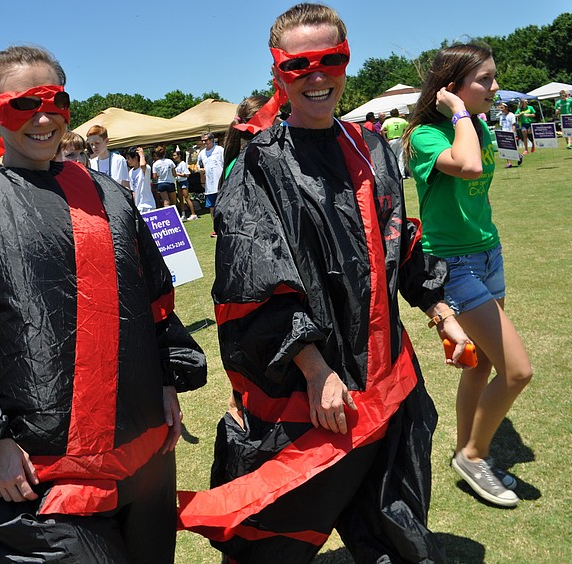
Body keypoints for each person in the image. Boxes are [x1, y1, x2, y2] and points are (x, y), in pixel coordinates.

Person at [0, 45, 205, 563]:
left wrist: (167, 382)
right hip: (32, 477)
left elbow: (153, 304)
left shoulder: (109, 194)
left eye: (55, 101)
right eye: (23, 105)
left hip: (140, 458)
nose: (43, 118)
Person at [178, 5, 470, 562]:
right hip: (307, 397)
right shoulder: (260, 165)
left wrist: (441, 313)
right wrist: (317, 371)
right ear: (277, 73)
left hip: (386, 384)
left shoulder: (373, 147)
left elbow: (400, 244)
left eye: (330, 60)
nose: (317, 76)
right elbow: (255, 280)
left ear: (346, 61)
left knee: (396, 533)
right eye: (299, 65)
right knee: (270, 543)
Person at [403, 42, 533, 509]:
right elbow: (470, 167)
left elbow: (480, 190)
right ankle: (473, 454)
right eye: (485, 79)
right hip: (452, 263)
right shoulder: (424, 135)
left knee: (481, 363)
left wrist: (467, 115)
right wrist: (458, 112)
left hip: (487, 254)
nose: (495, 87)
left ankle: (467, 453)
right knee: (518, 371)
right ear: (451, 87)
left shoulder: (477, 126)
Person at [196, 132, 224, 237]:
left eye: (206, 140)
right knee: (211, 208)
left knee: (222, 207)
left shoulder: (220, 150)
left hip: (220, 185)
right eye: (202, 140)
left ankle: (225, 227)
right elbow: (199, 166)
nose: (204, 142)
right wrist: (201, 173)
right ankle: (216, 229)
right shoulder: (202, 153)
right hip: (209, 186)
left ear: (212, 139)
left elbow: (226, 164)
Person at [125, 146, 157, 213]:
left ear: (136, 158)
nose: (127, 161)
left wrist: (141, 154)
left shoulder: (146, 168)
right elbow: (132, 190)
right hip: (138, 206)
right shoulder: (130, 172)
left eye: (129, 158)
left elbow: (142, 165)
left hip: (147, 205)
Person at [381, 108, 410, 177]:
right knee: (401, 157)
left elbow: (381, 130)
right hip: (400, 139)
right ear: (398, 114)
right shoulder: (402, 120)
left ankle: (394, 174)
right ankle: (402, 174)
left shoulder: (388, 121)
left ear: (391, 115)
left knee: (392, 157)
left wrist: (385, 139)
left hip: (391, 140)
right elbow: (409, 127)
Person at [173, 150, 197, 221]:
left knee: (186, 197)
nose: (173, 157)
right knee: (180, 198)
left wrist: (178, 174)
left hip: (183, 182)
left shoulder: (183, 163)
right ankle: (183, 214)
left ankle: (193, 214)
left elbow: (187, 174)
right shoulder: (177, 164)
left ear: (179, 156)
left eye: (175, 155)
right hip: (178, 182)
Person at [497, 103, 521, 168]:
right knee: (505, 148)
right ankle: (509, 163)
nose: (501, 110)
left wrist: (513, 133)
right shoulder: (501, 116)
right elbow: (501, 125)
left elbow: (513, 124)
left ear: (506, 108)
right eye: (500, 108)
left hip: (510, 133)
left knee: (512, 147)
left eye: (502, 108)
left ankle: (519, 156)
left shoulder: (511, 115)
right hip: (504, 133)